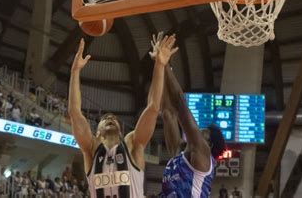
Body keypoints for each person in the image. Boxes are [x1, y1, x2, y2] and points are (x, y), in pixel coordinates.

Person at [68, 36, 178, 198]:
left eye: (113, 118)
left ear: (121, 131)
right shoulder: (91, 150)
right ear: (97, 132)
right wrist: (75, 71)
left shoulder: (133, 144)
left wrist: (160, 65)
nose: (110, 118)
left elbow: (153, 107)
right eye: (105, 118)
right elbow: (74, 112)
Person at [153, 32, 225, 197]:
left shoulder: (201, 153)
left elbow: (179, 102)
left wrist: (165, 65)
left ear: (209, 145)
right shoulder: (177, 155)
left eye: (204, 133)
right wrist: (159, 66)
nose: (198, 131)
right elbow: (167, 113)